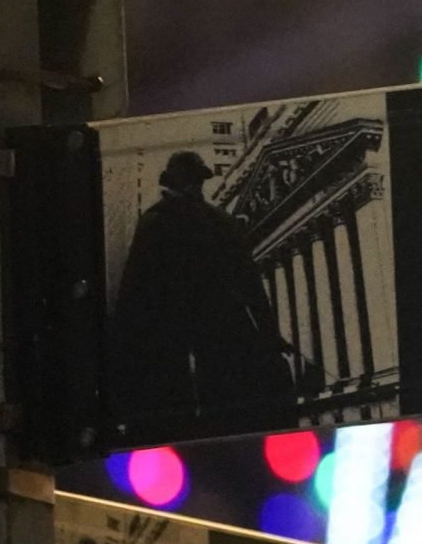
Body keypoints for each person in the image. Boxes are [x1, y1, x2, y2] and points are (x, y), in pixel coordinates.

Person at [107, 150, 301, 425]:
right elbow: (250, 283)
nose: (193, 187)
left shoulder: (161, 221)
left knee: (208, 400)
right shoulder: (210, 221)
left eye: (195, 181)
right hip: (198, 329)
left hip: (193, 330)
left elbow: (133, 289)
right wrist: (268, 332)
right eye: (190, 180)